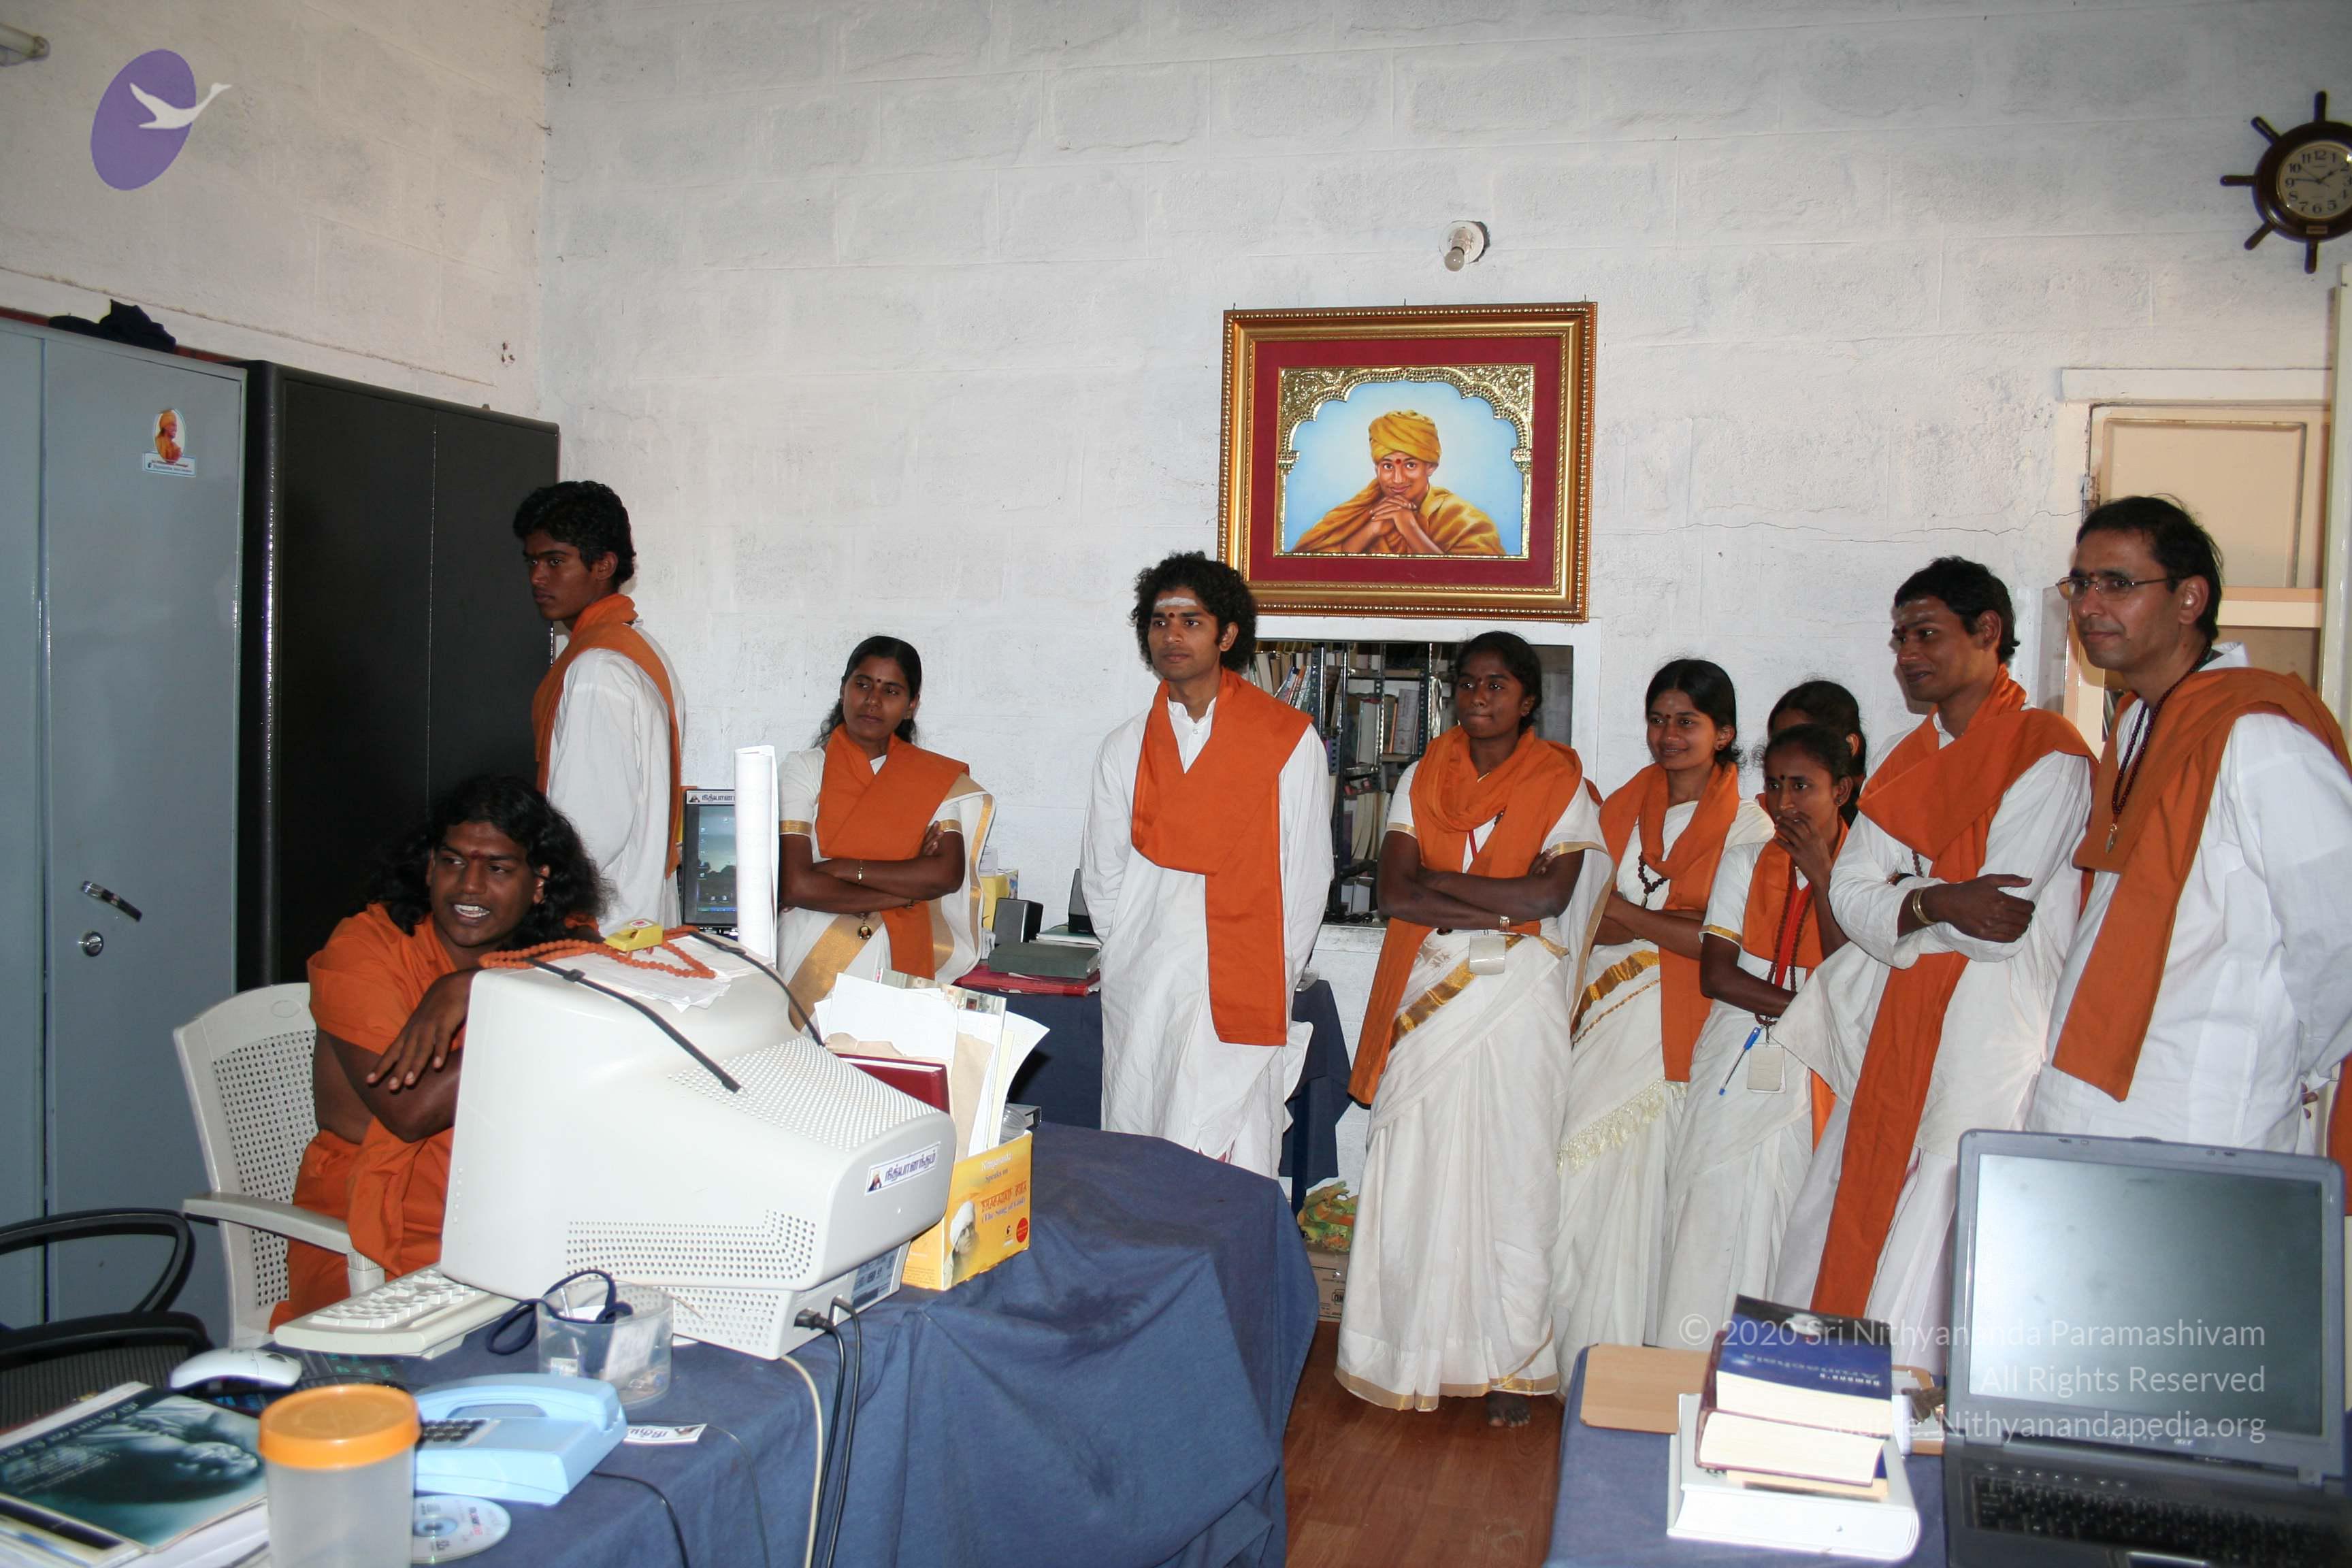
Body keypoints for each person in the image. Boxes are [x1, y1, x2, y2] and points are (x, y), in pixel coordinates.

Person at [1771, 559, 2090, 1371]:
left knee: (1947, 1192)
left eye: (1925, 634)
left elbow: (1999, 927)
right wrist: (1940, 901)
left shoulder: (2048, 752)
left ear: (1988, 632)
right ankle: (1833, 1388)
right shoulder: (1907, 760)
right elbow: (1850, 896)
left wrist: (1904, 902)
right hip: (1898, 1019)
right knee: (1859, 1185)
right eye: (1898, 639)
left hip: (1992, 1023)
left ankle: (1928, 1398)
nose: (1907, 655)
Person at [1337, 632, 1611, 1427]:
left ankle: (1509, 1365)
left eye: (1497, 685)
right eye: (1467, 683)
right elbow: (1396, 893)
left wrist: (1448, 886)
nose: (1479, 697)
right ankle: (1402, 1350)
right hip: (1431, 984)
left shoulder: (1562, 782)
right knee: (1417, 1165)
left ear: (1528, 700)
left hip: (1521, 1000)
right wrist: (1499, 901)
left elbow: (1549, 900)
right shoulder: (1423, 775)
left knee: (1512, 1176)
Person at [2029, 497, 2352, 1160]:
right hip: (2086, 1090)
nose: (2089, 605)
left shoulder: (2260, 736)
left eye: (2118, 583)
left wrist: (2306, 1067)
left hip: (2206, 1108)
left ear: (2189, 599)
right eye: (2081, 584)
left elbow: (2338, 929)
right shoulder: (2137, 724)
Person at [275, 776, 602, 1324]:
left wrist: (472, 985)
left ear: (539, 883)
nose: (468, 888)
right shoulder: (365, 947)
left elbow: (604, 964)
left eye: (498, 869)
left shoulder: (557, 938)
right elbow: (411, 1110)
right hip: (376, 1231)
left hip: (505, 1208)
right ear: (429, 867)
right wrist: (511, 1001)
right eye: (452, 862)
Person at [1080, 552, 1333, 1175]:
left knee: (1234, 1153)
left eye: (1191, 620)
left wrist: (1274, 970)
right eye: (1160, 620)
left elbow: (1307, 874)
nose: (1172, 635)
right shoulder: (1124, 748)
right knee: (1144, 1135)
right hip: (1148, 977)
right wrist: (1137, 950)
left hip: (1247, 974)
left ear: (1227, 635)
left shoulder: (1287, 740)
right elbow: (1103, 874)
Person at [1552, 659, 1771, 1362]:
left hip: (1678, 1025)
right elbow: (1582, 912)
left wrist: (1630, 916)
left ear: (1724, 733)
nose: (1668, 735)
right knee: (1576, 1168)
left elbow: (1728, 942)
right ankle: (1563, 1349)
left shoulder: (1750, 824)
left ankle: (1623, 1356)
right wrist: (1659, 924)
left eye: (1687, 722)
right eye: (1657, 720)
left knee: (1643, 1184)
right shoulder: (1620, 807)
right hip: (1600, 1010)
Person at [1655, 722, 1859, 1349]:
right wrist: (1812, 1010)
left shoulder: (1865, 872)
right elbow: (1718, 976)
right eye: (1774, 786)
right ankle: (1691, 1356)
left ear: (1842, 790)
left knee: (1795, 1209)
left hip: (1815, 1065)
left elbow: (1847, 971)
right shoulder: (1745, 860)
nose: (1785, 802)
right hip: (1737, 1050)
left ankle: (1777, 1367)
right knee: (1710, 1202)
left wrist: (1824, 879)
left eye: (1803, 786)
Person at [776, 636, 994, 1004]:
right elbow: (796, 884)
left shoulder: (931, 780)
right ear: (843, 690)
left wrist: (839, 868)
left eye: (891, 691)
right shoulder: (804, 769)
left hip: (897, 953)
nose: (873, 701)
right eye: (863, 685)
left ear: (911, 705)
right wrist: (906, 890)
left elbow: (945, 875)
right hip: (809, 954)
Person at [517, 480, 684, 930]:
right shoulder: (638, 649)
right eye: (532, 561)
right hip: (637, 918)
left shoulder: (596, 670)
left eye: (555, 561)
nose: (537, 577)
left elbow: (585, 831)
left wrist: (534, 899)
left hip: (599, 928)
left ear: (603, 564)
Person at [1286, 410, 1503, 557]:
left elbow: (1469, 582)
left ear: (1431, 467)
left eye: (1410, 465)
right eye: (1388, 466)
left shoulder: (1463, 519)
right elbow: (1315, 570)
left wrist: (1409, 528)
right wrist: (1372, 530)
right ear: (1377, 469)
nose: (1398, 479)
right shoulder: (1360, 511)